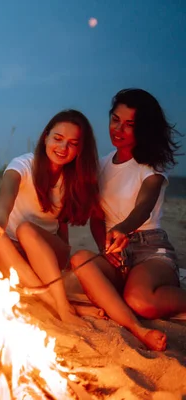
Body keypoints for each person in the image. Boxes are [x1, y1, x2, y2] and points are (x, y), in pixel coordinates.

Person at [70, 88, 184, 351]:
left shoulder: (151, 166)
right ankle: (135, 325)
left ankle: (151, 310)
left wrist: (122, 228)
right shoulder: (101, 165)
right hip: (116, 251)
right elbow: (97, 217)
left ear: (143, 129)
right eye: (115, 120)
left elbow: (144, 206)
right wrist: (104, 250)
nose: (118, 129)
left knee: (139, 300)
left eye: (129, 124)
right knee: (80, 260)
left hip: (150, 248)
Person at [0, 109, 102, 328]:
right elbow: (7, 193)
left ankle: (60, 305)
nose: (63, 148)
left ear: (80, 149)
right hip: (14, 254)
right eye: (58, 138)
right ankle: (62, 306)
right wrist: (0, 219)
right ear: (46, 136)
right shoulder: (23, 165)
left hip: (48, 251)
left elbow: (63, 223)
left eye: (72, 143)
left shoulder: (75, 179)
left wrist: (64, 255)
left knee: (26, 229)